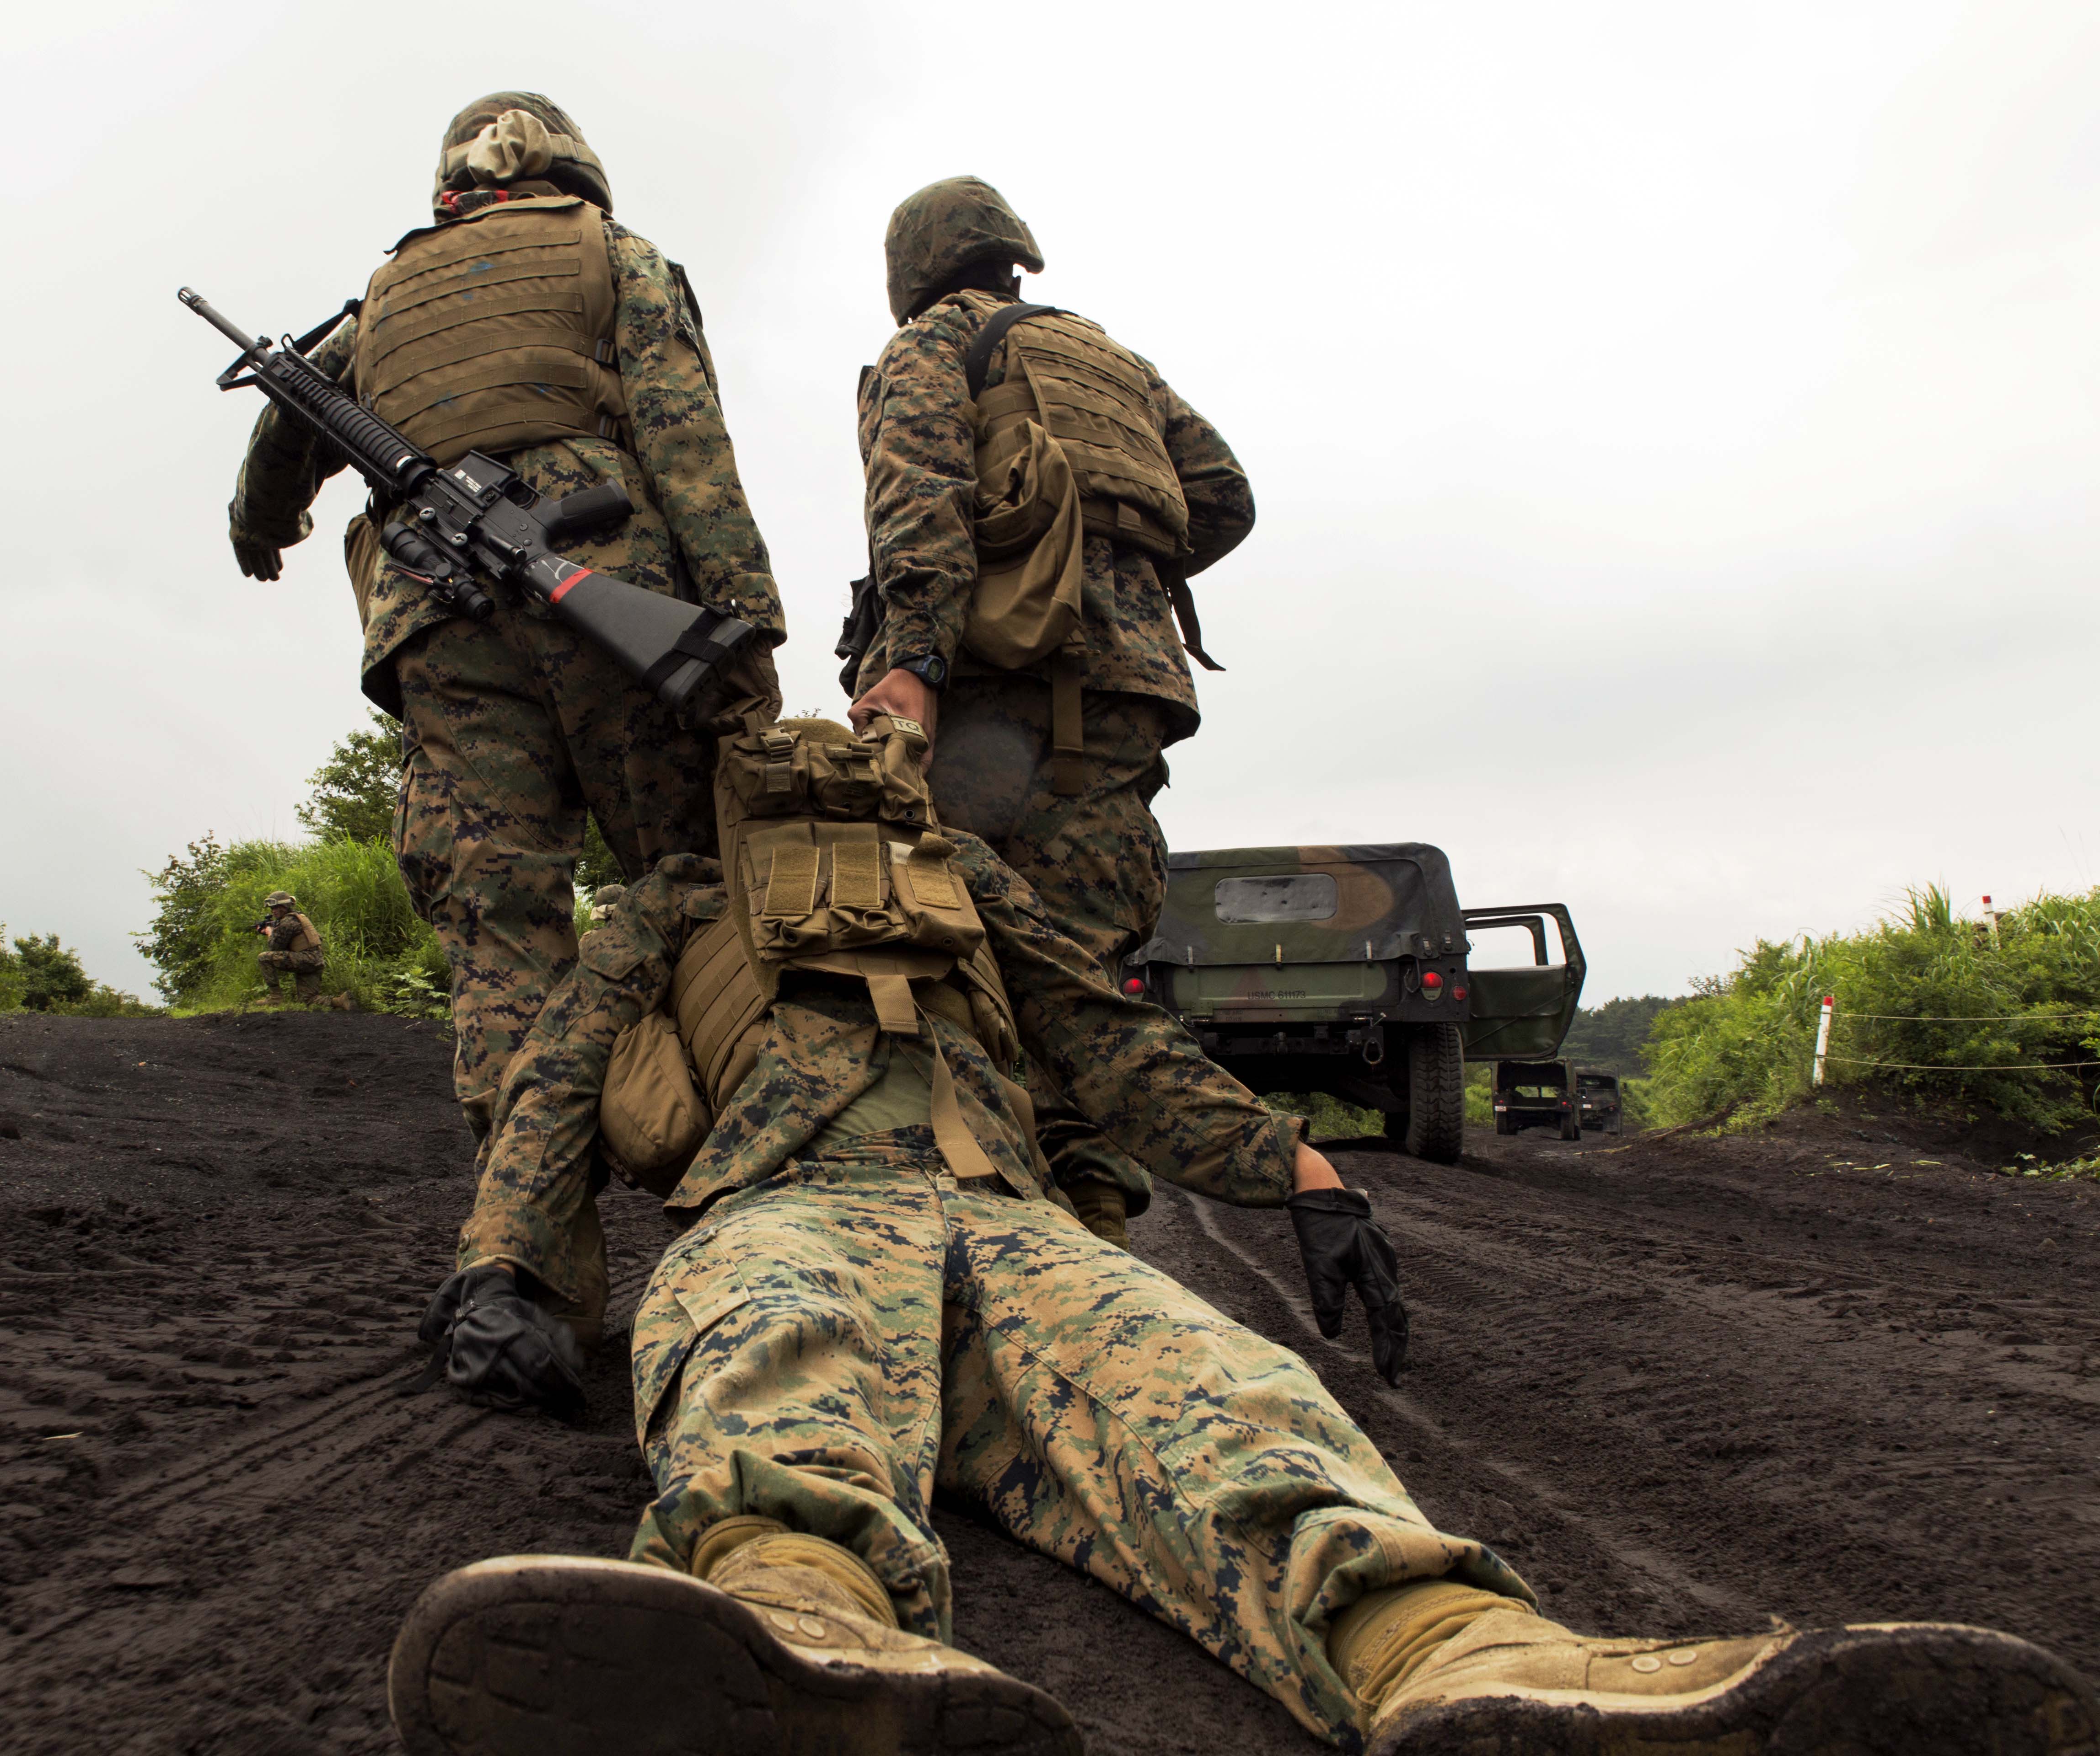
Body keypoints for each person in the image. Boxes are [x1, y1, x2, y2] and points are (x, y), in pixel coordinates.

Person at [388, 717, 2093, 1756]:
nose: (836, 768)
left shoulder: (976, 895)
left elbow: (1123, 1053)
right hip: (781, 1204)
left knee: (1222, 1390)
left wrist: (1302, 1175)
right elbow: (551, 1086)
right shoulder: (679, 905)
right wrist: (506, 1263)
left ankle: (1471, 1664)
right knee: (772, 1366)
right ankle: (793, 1639)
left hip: (1016, 1218)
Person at [225, 91, 784, 1141]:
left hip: (442, 616)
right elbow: (688, 448)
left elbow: (283, 433)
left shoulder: (380, 297)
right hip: (615, 592)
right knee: (702, 887)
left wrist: (260, 525)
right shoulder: (615, 255)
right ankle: (751, 1186)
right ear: (572, 172)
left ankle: (529, 1257)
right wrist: (745, 630)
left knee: (497, 927)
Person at [844, 177, 1255, 1249]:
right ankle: (1099, 1237)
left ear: (912, 267)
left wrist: (917, 662)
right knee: (1083, 976)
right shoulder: (1110, 360)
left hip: (995, 709)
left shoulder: (932, 346)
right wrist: (1115, 568)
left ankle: (995, 1248)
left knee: (968, 971)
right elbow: (1220, 494)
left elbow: (918, 503)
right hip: (1125, 702)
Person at [254, 891, 323, 1003]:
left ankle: (275, 998)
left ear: (285, 906)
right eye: (272, 908)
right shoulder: (299, 917)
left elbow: (274, 947)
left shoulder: (287, 922)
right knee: (308, 1000)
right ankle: (341, 1001)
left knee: (264, 958)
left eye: (276, 907)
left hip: (306, 960)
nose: (273, 911)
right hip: (316, 960)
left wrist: (269, 933)